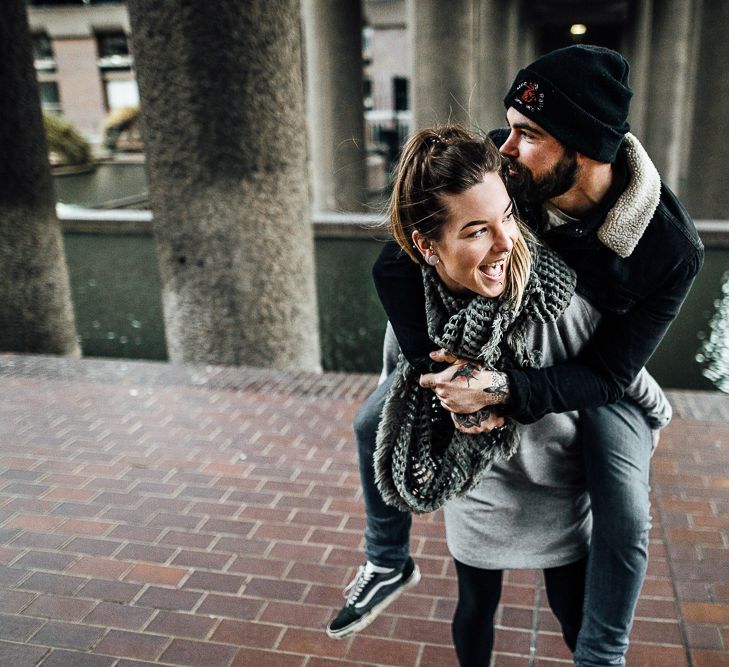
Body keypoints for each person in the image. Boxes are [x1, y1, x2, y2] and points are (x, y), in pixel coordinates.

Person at [326, 45, 703, 667]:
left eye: (527, 134)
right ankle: (387, 560)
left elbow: (610, 372)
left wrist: (503, 390)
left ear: (585, 149)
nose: (504, 145)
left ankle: (601, 655)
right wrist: (434, 366)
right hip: (483, 345)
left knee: (626, 509)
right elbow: (399, 257)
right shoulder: (510, 167)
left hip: (596, 372)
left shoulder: (668, 248)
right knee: (373, 421)